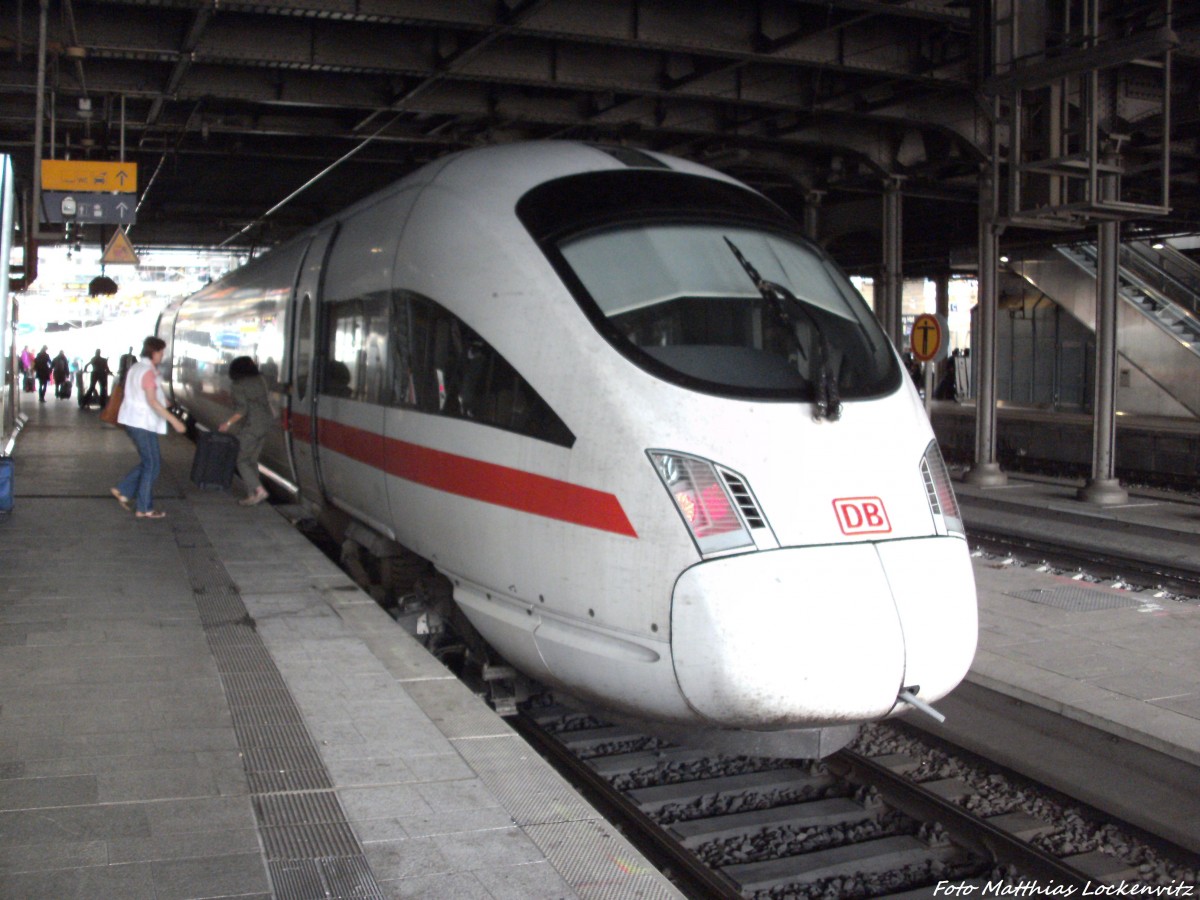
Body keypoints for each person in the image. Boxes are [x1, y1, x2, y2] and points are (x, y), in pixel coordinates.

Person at [111, 337, 186, 519]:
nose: (162, 356)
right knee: (152, 464)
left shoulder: (138, 368)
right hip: (142, 423)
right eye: (161, 352)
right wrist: (175, 421)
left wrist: (164, 401)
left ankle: (125, 491)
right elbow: (151, 401)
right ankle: (143, 507)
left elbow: (145, 393)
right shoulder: (148, 372)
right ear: (154, 352)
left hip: (134, 421)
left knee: (150, 463)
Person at [218, 356, 273, 506]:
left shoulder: (238, 385)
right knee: (251, 460)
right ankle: (252, 495)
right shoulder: (260, 380)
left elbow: (241, 410)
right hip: (267, 424)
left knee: (240, 459)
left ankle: (260, 491)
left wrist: (227, 424)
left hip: (252, 426)